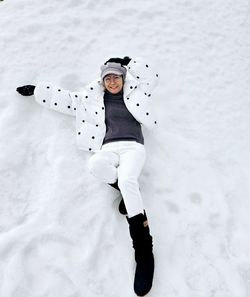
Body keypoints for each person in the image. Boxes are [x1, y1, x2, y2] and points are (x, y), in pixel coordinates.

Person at [16, 56, 159, 296]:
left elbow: (151, 76)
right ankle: (128, 192)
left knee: (126, 180)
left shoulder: (136, 94)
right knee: (96, 165)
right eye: (107, 78)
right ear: (102, 81)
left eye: (116, 77)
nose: (112, 82)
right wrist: (37, 90)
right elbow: (65, 99)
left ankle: (144, 252)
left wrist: (129, 61)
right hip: (108, 149)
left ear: (123, 78)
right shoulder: (92, 99)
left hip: (133, 147)